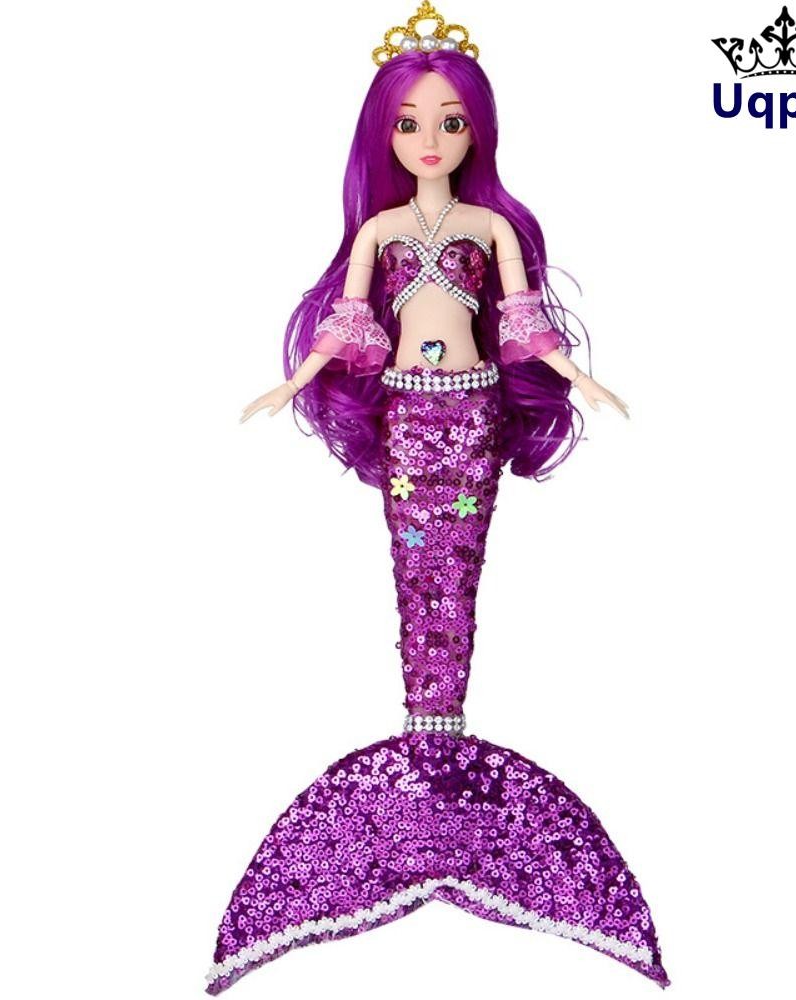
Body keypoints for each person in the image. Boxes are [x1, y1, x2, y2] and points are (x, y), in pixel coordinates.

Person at [207, 5, 668, 993]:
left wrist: (578, 378)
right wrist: (293, 384)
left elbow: (523, 320)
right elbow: (347, 322)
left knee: (458, 580)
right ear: (383, 135)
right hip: (410, 417)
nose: (429, 139)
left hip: (474, 414)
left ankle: (446, 772)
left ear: (476, 132)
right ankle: (425, 762)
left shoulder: (488, 227)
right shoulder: (378, 230)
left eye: (449, 122)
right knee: (416, 581)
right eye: (410, 123)